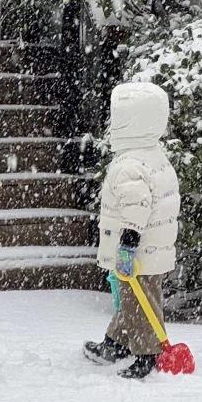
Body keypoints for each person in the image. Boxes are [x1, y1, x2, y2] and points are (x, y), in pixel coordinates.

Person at [84, 79, 180, 380]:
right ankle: (115, 343)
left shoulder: (129, 164)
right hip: (152, 250)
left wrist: (128, 244)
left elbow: (136, 208)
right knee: (135, 299)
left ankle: (146, 354)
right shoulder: (153, 155)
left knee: (139, 302)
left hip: (139, 250)